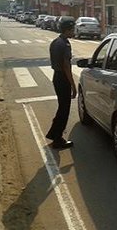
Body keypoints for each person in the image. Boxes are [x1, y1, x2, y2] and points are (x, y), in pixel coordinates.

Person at [46, 18, 76, 149]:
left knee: (61, 107)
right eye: (72, 29)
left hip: (56, 77)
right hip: (63, 78)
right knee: (64, 110)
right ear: (67, 30)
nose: (74, 32)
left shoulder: (55, 42)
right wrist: (73, 86)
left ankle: (54, 134)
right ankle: (57, 138)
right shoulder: (65, 44)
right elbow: (66, 66)